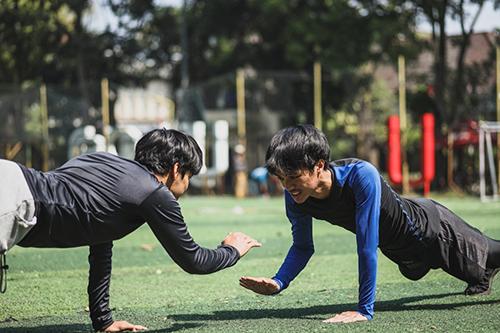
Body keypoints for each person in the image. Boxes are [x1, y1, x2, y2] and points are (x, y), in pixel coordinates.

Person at [0, 128, 261, 332]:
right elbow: (194, 261)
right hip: (14, 201)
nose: (187, 185)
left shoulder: (102, 162)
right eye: (189, 177)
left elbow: (101, 242)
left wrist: (103, 321)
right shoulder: (154, 193)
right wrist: (232, 251)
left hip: (11, 177)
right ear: (176, 169)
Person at [239, 124, 500, 324]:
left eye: (293, 177)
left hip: (435, 231)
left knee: (492, 254)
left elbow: (366, 244)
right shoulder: (296, 196)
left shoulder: (360, 175)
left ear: (319, 165)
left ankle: (484, 268)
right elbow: (303, 247)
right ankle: (482, 274)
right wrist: (278, 282)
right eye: (281, 178)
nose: (287, 186)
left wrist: (364, 309)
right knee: (478, 273)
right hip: (403, 251)